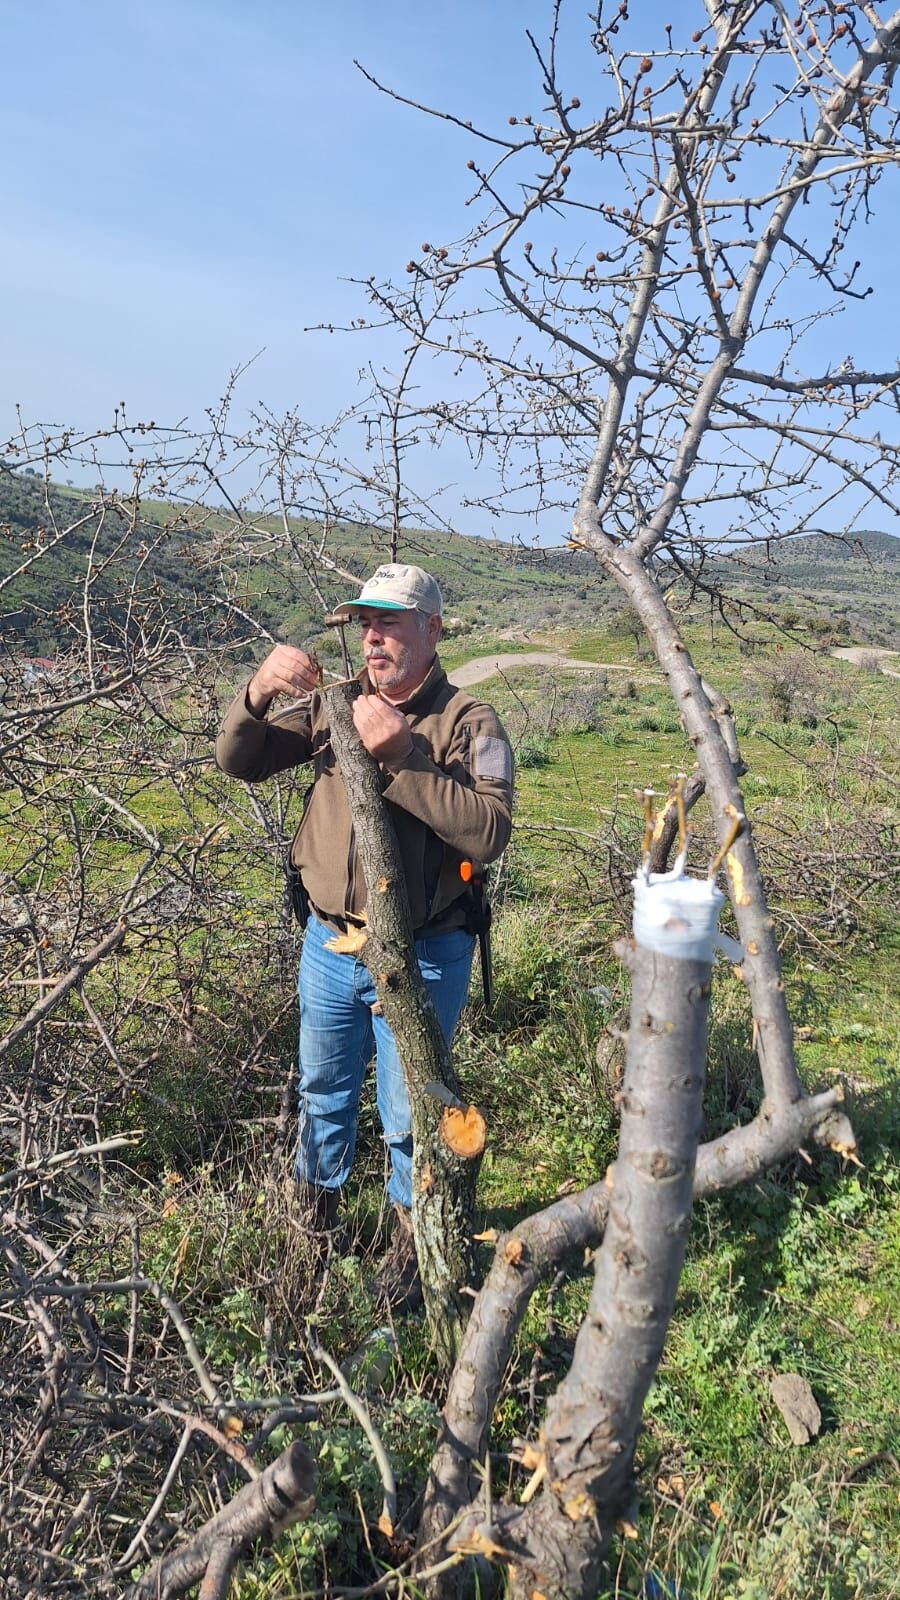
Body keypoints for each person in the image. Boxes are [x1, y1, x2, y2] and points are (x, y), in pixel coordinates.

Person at [215, 563, 514, 1309]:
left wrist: (403, 758)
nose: (373, 638)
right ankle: (310, 1241)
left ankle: (415, 1259)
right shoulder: (334, 704)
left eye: (390, 622)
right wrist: (257, 693)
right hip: (327, 945)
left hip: (425, 955)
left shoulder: (470, 723)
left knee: (412, 1113)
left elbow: (490, 831)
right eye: (364, 624)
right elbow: (239, 761)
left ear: (433, 629)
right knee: (322, 1093)